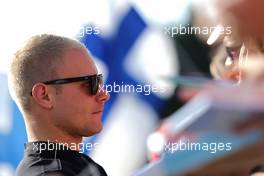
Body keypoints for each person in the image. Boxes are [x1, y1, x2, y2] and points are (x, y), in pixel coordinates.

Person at [8, 34, 110, 176]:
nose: (104, 94)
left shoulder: (80, 165)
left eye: (99, 81)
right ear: (45, 96)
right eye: (89, 83)